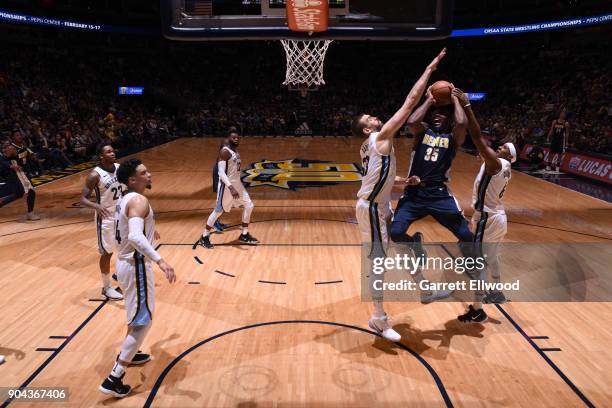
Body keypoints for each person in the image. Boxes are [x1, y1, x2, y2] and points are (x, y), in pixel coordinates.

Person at [352, 48, 447, 342]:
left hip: (380, 205)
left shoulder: (372, 147)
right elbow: (408, 104)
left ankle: (425, 288)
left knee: (403, 246)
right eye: (371, 117)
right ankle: (378, 319)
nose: (376, 117)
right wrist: (429, 70)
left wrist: (406, 180)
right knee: (378, 261)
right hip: (370, 208)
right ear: (368, 128)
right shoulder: (379, 137)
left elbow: (380, 176)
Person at [99, 158, 176, 398]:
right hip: (136, 266)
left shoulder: (125, 199)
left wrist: (149, 232)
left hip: (126, 264)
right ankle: (115, 377)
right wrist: (160, 260)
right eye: (144, 172)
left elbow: (128, 229)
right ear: (132, 179)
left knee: (136, 315)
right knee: (144, 320)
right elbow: (134, 236)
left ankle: (129, 353)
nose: (149, 174)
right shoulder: (139, 200)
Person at [391, 82, 473, 262]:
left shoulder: (453, 138)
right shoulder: (423, 133)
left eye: (443, 114)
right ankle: (415, 243)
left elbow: (461, 123)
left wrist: (455, 100)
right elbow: (412, 121)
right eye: (435, 113)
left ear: (449, 121)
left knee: (467, 236)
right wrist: (429, 99)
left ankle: (470, 264)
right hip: (414, 193)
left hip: (439, 195)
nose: (438, 115)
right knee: (396, 233)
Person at [453, 88, 516, 323]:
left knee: (477, 261)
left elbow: (477, 137)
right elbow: (484, 152)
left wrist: (467, 106)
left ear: (507, 156)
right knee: (493, 255)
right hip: (498, 217)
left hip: (488, 217)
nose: (497, 147)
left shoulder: (497, 164)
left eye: (501, 148)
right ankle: (496, 290)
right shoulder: (504, 167)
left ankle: (477, 309)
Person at [196, 131, 259, 249]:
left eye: (237, 137)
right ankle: (204, 236)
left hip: (238, 185)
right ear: (228, 138)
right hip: (227, 187)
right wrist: (231, 187)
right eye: (233, 137)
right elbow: (221, 172)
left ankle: (244, 234)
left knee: (249, 205)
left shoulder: (235, 151)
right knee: (218, 211)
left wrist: (237, 185)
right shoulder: (225, 151)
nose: (236, 139)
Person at [80, 142, 124, 301]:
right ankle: (106, 288)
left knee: (125, 247)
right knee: (107, 252)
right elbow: (83, 198)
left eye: (113, 150)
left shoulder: (120, 168)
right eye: (108, 152)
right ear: (101, 156)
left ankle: (120, 275)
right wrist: (96, 206)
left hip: (120, 215)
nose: (112, 153)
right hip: (105, 217)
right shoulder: (95, 175)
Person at [0, 141, 40, 220]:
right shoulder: (10, 149)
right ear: (13, 138)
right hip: (18, 174)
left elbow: (28, 155)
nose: (19, 137)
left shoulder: (23, 146)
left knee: (18, 194)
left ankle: (1, 202)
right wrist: (11, 166)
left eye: (20, 135)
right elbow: (2, 160)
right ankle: (30, 213)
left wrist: (33, 157)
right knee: (31, 191)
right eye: (17, 135)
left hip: (24, 173)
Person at [211, 134, 230, 232]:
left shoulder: (225, 152)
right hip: (218, 175)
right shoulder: (223, 153)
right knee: (219, 200)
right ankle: (214, 223)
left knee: (222, 201)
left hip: (219, 174)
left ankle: (217, 221)